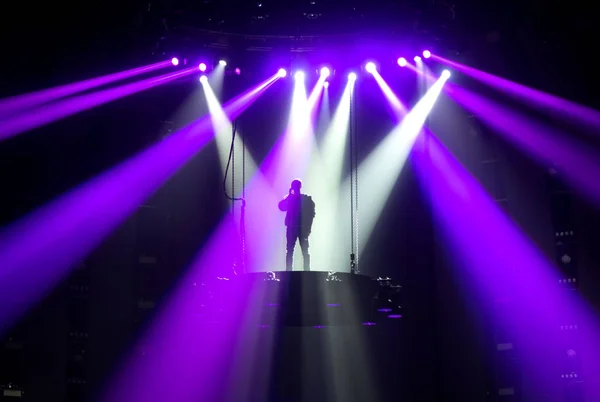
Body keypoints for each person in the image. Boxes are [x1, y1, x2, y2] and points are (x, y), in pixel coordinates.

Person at [278, 179, 316, 271]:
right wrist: (289, 196)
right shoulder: (291, 198)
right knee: (292, 251)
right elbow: (281, 207)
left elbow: (311, 213)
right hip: (293, 227)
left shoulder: (306, 199)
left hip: (301, 228)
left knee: (302, 251)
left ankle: (305, 271)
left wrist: (308, 228)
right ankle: (290, 271)